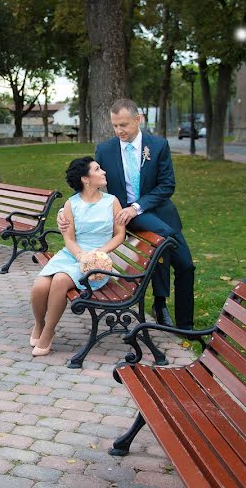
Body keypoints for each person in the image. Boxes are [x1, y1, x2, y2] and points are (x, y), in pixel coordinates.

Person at [59, 98, 195, 330]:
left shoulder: (158, 145)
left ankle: (186, 326)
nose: (119, 130)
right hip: (124, 215)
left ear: (137, 120)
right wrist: (65, 208)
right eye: (115, 126)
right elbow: (88, 181)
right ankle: (161, 304)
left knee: (186, 266)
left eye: (124, 125)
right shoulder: (105, 150)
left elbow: (167, 185)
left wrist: (137, 206)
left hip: (160, 214)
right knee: (162, 239)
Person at [30, 156, 126, 356]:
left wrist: (98, 253)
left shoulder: (112, 201)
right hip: (73, 254)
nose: (103, 172)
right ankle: (39, 324)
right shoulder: (71, 204)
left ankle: (48, 331)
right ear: (85, 178)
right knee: (40, 286)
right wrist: (81, 255)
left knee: (59, 281)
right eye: (98, 169)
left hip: (98, 260)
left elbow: (120, 235)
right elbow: (69, 239)